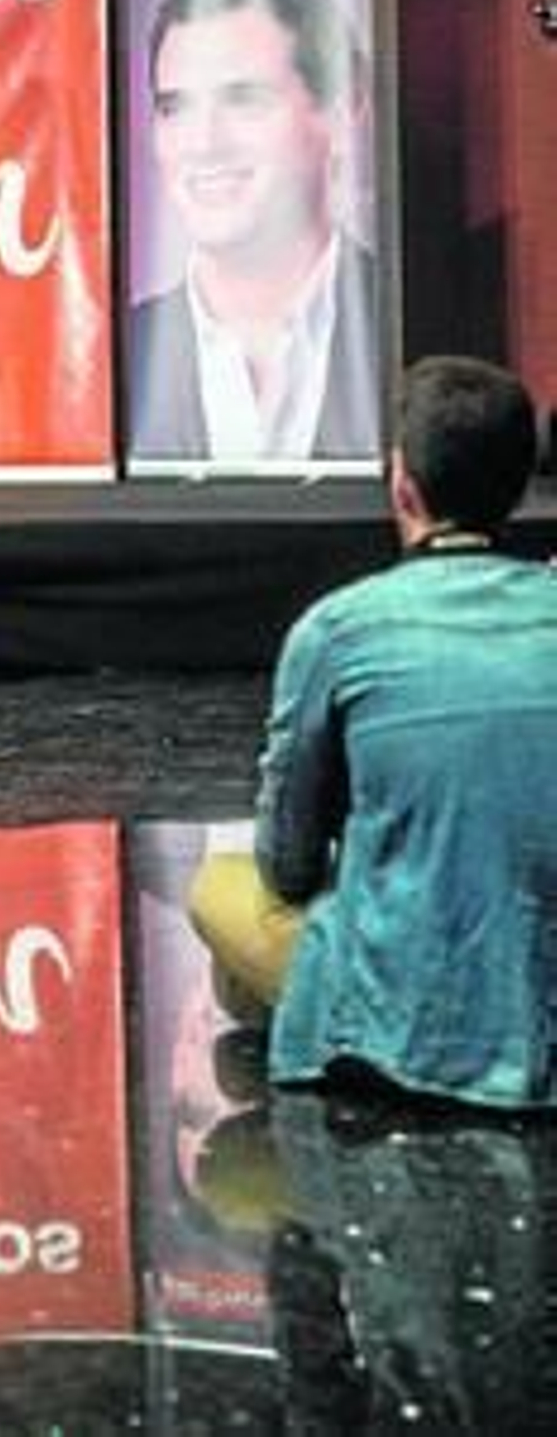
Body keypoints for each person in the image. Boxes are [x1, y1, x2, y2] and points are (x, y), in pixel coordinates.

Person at [188, 355, 557, 1106]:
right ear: (521, 489)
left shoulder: (338, 629)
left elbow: (288, 865)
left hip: (406, 1031)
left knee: (218, 889)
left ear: (402, 485)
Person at [126, 0, 380, 463]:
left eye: (244, 100)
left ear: (342, 115)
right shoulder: (115, 359)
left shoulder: (411, 333)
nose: (204, 143)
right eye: (175, 109)